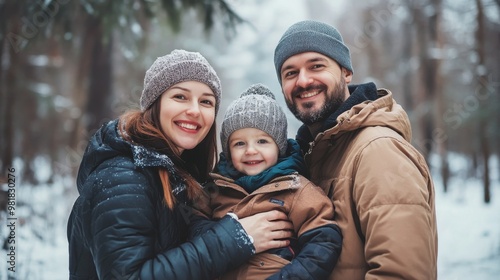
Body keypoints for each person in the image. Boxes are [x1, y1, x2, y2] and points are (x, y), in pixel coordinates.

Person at [67, 49, 293, 280]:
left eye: (206, 101)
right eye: (180, 97)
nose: (194, 110)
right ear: (155, 104)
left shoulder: (179, 174)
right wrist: (236, 238)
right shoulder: (124, 177)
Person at [273, 20, 438, 279]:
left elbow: (401, 273)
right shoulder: (312, 156)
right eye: (290, 73)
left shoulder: (378, 151)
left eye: (316, 66)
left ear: (346, 72)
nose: (303, 81)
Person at [206, 83, 342, 280]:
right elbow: (193, 226)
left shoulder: (295, 188)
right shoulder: (216, 188)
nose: (251, 150)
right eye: (239, 143)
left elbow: (324, 242)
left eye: (262, 141)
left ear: (279, 147)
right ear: (228, 151)